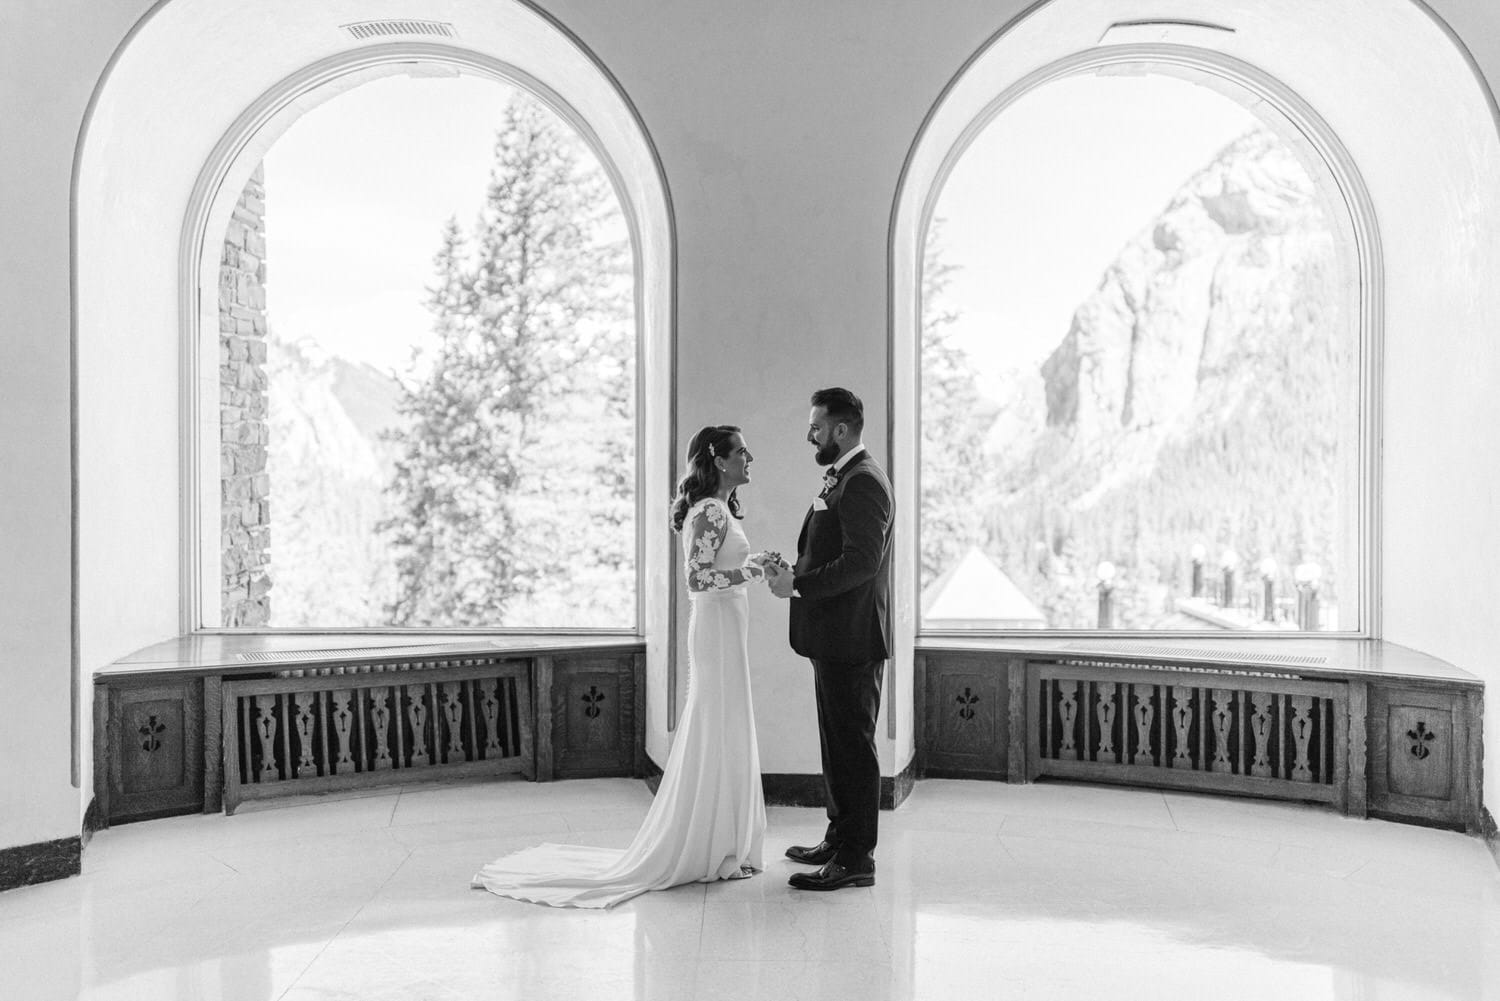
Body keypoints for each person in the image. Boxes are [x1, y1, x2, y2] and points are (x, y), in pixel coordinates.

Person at [472, 425, 772, 908]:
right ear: (719, 461)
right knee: (717, 725)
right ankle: (712, 843)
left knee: (726, 724)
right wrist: (750, 572)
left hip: (726, 627)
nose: (749, 457)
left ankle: (724, 839)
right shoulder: (712, 511)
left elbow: (719, 566)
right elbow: (698, 577)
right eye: (742, 451)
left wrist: (754, 562)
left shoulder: (716, 510)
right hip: (716, 631)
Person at [765, 388, 893, 892]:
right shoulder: (846, 478)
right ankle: (838, 838)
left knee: (853, 749)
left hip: (853, 640)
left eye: (816, 427)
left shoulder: (863, 482)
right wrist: (794, 569)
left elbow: (863, 562)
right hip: (835, 637)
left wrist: (798, 584)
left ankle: (857, 859)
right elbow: (834, 551)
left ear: (841, 430)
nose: (809, 435)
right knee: (837, 745)